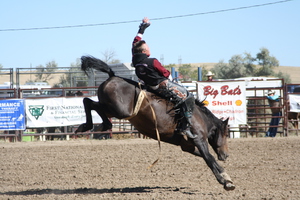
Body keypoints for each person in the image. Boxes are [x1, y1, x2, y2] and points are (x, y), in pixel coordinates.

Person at [131, 17, 196, 139]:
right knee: (188, 98)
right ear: (145, 51)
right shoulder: (153, 61)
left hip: (149, 87)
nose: (150, 48)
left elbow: (135, 43)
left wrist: (142, 28)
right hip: (162, 85)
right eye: (148, 47)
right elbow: (166, 74)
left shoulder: (135, 60)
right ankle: (185, 127)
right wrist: (174, 81)